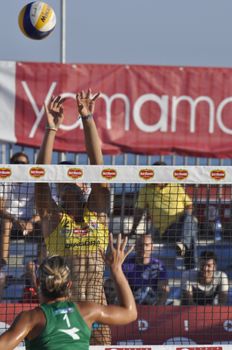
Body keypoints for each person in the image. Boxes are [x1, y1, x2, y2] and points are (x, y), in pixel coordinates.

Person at [35, 89, 111, 344]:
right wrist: (51, 130)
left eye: (76, 178)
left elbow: (98, 168)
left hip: (98, 312)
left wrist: (87, 119)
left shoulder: (98, 214)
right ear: (59, 189)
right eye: (65, 180)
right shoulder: (55, 221)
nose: (71, 182)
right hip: (67, 316)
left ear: (84, 186)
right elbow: (40, 180)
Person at [0, 234, 137, 350]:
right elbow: (130, 313)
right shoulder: (87, 310)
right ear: (69, 285)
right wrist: (116, 270)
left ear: (37, 284)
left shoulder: (30, 318)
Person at [129, 161, 198, 270]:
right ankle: (191, 268)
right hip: (166, 231)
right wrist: (133, 229)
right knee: (191, 230)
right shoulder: (146, 189)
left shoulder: (176, 186)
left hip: (182, 226)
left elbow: (189, 205)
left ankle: (183, 245)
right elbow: (139, 211)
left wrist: (187, 218)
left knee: (190, 220)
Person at [0, 152, 41, 265]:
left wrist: (31, 222)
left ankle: (40, 266)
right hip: (10, 221)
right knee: (5, 224)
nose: (19, 165)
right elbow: (0, 209)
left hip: (29, 222)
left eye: (23, 163)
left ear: (27, 166)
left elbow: (43, 210)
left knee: (45, 225)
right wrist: (15, 220)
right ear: (11, 164)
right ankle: (3, 266)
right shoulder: (4, 180)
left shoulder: (33, 182)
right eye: (16, 163)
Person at [123, 234, 169, 305]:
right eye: (140, 245)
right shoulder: (126, 264)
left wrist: (158, 309)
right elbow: (122, 287)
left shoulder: (159, 266)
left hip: (153, 304)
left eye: (147, 245)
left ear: (152, 247)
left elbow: (164, 290)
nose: (144, 248)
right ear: (135, 247)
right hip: (131, 302)